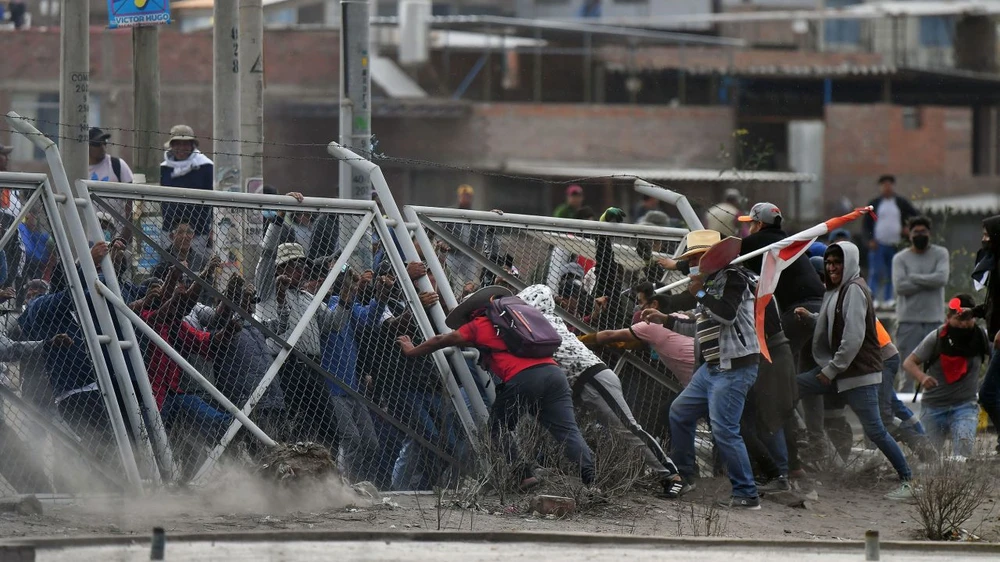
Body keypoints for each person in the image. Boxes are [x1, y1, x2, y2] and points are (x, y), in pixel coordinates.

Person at [397, 286, 597, 492]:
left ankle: (524, 475)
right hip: (554, 375)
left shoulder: (480, 323)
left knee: (497, 429)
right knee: (567, 430)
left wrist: (413, 351)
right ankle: (591, 481)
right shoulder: (518, 322)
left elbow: (442, 340)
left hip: (524, 378)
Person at [519, 284, 686, 498]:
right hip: (576, 385)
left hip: (593, 378)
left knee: (628, 428)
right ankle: (550, 465)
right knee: (559, 427)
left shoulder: (543, 323)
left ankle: (672, 475)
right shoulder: (539, 322)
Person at [651, 229, 762, 510]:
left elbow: (726, 314)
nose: (695, 261)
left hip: (734, 366)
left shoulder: (734, 277)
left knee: (725, 429)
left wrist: (698, 291)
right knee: (679, 412)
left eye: (699, 255)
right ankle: (686, 476)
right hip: (713, 367)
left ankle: (747, 493)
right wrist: (667, 320)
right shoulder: (711, 283)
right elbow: (700, 325)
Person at [794, 241, 913, 500]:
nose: (832, 267)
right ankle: (793, 462)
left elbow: (853, 338)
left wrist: (831, 369)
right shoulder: (838, 289)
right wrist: (812, 318)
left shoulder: (855, 291)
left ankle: (909, 480)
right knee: (793, 387)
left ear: (849, 263)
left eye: (837, 262)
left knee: (875, 430)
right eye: (829, 262)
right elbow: (835, 322)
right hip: (843, 373)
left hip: (857, 376)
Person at [737, 202, 826, 367]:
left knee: (772, 360)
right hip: (822, 309)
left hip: (799, 311)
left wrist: (681, 265)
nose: (749, 229)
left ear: (759, 224)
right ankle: (797, 392)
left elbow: (724, 250)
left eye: (751, 223)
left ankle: (781, 393)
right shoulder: (785, 242)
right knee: (803, 365)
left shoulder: (758, 241)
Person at [903, 295, 989, 459]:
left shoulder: (982, 338)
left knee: (961, 457)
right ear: (948, 318)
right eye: (959, 319)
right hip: (933, 407)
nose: (963, 324)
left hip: (965, 406)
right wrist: (922, 378)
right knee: (929, 461)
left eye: (968, 319)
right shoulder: (936, 338)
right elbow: (909, 362)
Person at [892, 216, 949, 392]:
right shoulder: (900, 258)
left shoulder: (940, 253)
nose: (919, 235)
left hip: (935, 321)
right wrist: (928, 280)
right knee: (906, 375)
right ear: (909, 234)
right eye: (915, 232)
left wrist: (913, 277)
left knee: (937, 372)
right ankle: (906, 418)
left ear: (929, 233)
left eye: (923, 232)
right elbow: (900, 287)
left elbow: (941, 278)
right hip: (908, 322)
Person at [594, 293, 695, 388]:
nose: (639, 307)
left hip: (693, 378)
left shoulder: (650, 325)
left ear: (654, 304)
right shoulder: (682, 318)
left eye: (641, 303)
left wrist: (580, 339)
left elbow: (609, 335)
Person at [863, 175, 919, 309]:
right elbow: (866, 224)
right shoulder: (875, 204)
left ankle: (889, 299)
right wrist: (869, 239)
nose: (887, 188)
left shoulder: (900, 202)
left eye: (889, 185)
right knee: (875, 272)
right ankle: (873, 299)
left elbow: (915, 214)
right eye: (884, 185)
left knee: (892, 272)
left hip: (895, 244)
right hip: (878, 244)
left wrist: (908, 228)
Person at [160, 125, 214, 258]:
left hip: (199, 231)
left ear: (192, 145)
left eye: (185, 144)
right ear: (171, 146)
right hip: (169, 231)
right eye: (177, 144)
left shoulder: (205, 166)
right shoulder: (165, 168)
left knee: (198, 266)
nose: (181, 148)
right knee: (168, 267)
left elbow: (213, 200)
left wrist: (213, 229)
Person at [972, 215, 1000, 453]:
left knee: (988, 392)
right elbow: (994, 304)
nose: (984, 239)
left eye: (987, 235)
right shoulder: (995, 261)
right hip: (996, 338)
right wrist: (973, 312)